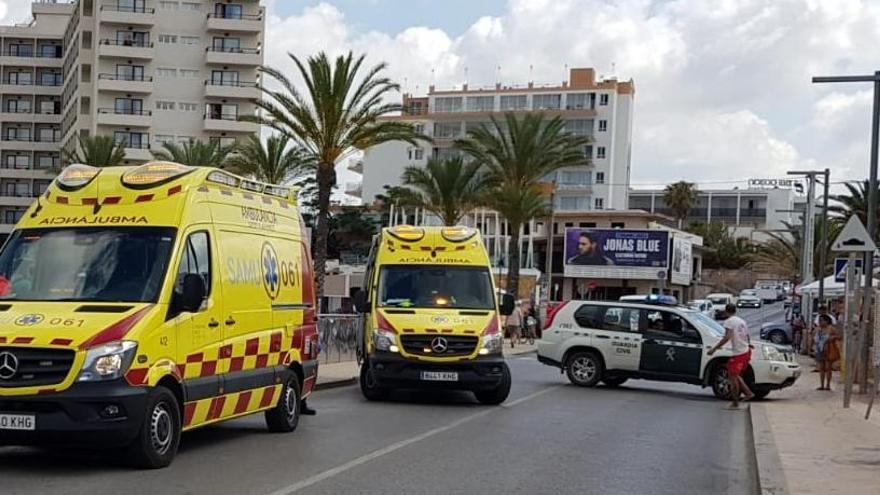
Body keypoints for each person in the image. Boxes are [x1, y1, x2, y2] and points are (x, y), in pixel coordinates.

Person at [708, 303, 754, 409]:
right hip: (745, 351)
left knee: (732, 378)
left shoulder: (729, 321)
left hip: (739, 352)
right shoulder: (742, 321)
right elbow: (746, 335)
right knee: (735, 375)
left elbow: (727, 337)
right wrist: (748, 344)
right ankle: (748, 393)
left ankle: (735, 403)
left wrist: (714, 349)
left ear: (726, 311)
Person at [813, 314, 841, 391]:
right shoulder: (818, 329)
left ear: (826, 321)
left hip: (828, 350)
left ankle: (828, 385)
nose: (820, 322)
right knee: (821, 368)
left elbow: (839, 336)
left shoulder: (831, 329)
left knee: (828, 368)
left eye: (821, 321)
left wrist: (832, 338)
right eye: (819, 321)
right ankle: (821, 385)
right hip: (819, 350)